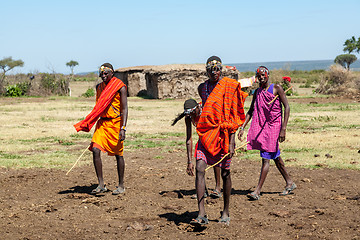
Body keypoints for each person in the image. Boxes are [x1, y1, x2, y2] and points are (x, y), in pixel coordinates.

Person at [189, 56, 247, 226]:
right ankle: (201, 213)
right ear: (206, 71)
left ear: (221, 69)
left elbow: (233, 115)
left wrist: (231, 141)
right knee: (200, 168)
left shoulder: (229, 86)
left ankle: (226, 211)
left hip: (224, 135)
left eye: (217, 69)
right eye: (211, 69)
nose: (214, 72)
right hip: (207, 134)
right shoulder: (203, 88)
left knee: (225, 173)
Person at [238, 66, 296, 201]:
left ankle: (257, 191)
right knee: (274, 155)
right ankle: (289, 182)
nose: (261, 77)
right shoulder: (257, 92)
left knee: (266, 157)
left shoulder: (277, 88)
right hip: (263, 127)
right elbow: (251, 111)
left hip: (274, 126)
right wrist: (242, 127)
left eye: (263, 75)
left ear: (268, 75)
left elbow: (286, 107)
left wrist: (283, 128)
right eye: (259, 76)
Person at [74, 63, 128, 195]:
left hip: (116, 123)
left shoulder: (120, 87)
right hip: (102, 124)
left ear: (112, 73)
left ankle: (121, 185)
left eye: (106, 73)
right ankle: (101, 184)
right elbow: (99, 106)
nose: (103, 76)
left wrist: (123, 128)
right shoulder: (99, 87)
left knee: (118, 155)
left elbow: (124, 109)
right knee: (95, 149)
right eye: (101, 74)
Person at [171, 99, 222, 199]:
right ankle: (203, 190)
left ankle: (218, 188)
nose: (192, 116)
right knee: (200, 165)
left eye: (194, 113)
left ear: (198, 108)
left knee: (215, 160)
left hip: (213, 136)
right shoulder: (189, 118)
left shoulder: (206, 111)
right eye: (190, 114)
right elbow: (189, 139)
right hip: (202, 139)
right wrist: (189, 161)